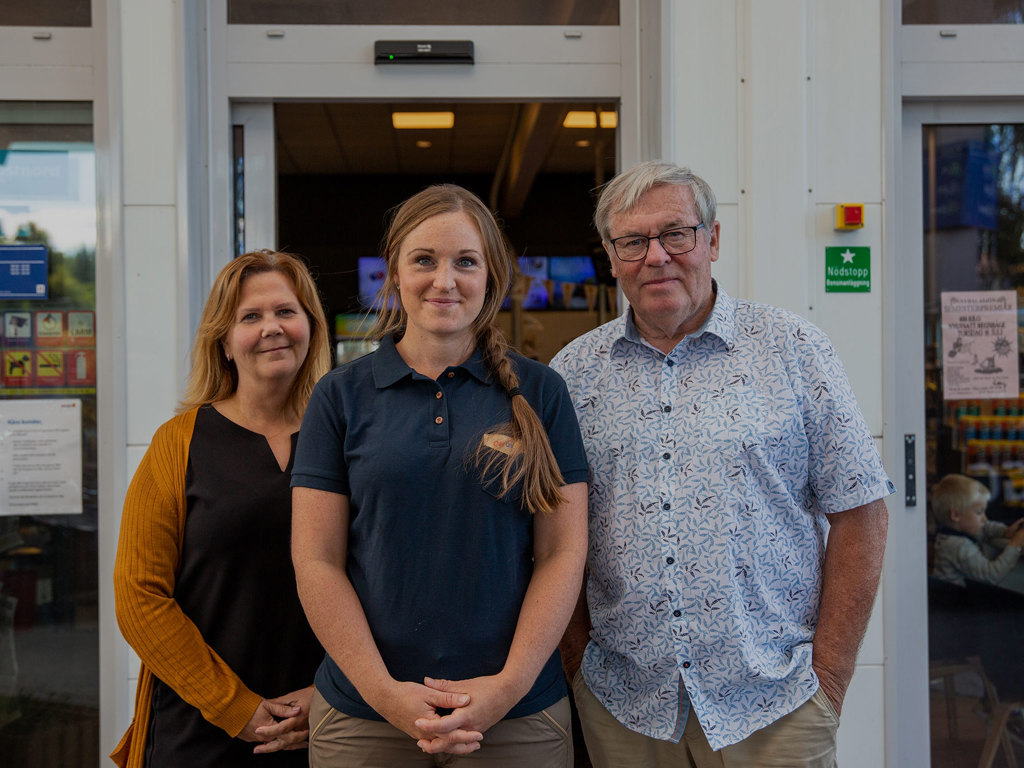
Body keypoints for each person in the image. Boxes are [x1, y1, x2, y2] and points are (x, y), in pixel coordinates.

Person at [549, 161, 895, 767]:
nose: (657, 256)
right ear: (611, 257)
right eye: (633, 241)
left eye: (675, 234)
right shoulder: (573, 374)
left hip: (776, 701)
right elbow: (555, 534)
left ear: (712, 239)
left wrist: (830, 680)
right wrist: (578, 664)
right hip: (626, 706)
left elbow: (861, 511)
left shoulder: (792, 349)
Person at [290, 184, 589, 767]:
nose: (444, 280)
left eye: (466, 262)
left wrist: (506, 688)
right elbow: (316, 560)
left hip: (516, 715)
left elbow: (562, 552)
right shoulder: (339, 396)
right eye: (424, 260)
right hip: (364, 716)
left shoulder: (542, 392)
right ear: (394, 274)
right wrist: (384, 694)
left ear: (491, 276)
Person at [112, 250, 331, 767]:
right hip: (197, 729)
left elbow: (383, 584)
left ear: (310, 327)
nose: (272, 327)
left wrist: (330, 693)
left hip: (324, 726)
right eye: (250, 317)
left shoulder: (349, 440)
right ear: (225, 342)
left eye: (286, 311)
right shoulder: (178, 444)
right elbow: (138, 596)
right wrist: (236, 707)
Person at [931, 473, 1024, 587]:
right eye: (979, 512)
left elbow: (986, 527)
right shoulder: (958, 546)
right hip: (955, 597)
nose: (984, 519)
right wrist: (1015, 545)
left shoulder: (953, 532)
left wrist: (1006, 531)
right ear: (955, 515)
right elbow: (991, 575)